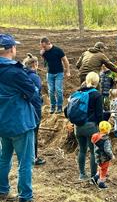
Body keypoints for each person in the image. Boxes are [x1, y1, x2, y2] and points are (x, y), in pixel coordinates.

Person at [0, 34, 36, 202]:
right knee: (25, 161)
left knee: (4, 156)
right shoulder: (15, 70)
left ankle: (2, 189)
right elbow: (32, 91)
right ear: (11, 49)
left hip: (2, 122)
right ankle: (25, 196)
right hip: (20, 122)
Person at [68, 72, 103, 181]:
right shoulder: (97, 95)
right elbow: (99, 114)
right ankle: (93, 177)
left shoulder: (78, 92)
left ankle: (82, 174)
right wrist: (101, 128)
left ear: (87, 80)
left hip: (78, 127)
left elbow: (66, 110)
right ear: (97, 82)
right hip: (91, 127)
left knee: (82, 150)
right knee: (93, 151)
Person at [23, 53, 46, 166]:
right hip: (34, 109)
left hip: (23, 108)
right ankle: (34, 158)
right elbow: (36, 95)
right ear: (35, 64)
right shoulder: (34, 77)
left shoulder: (22, 74)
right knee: (34, 134)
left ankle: (25, 155)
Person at [40, 37, 70, 114]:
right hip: (49, 73)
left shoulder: (58, 50)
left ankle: (59, 107)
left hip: (59, 73)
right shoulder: (44, 52)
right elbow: (45, 62)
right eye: (42, 46)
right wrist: (42, 55)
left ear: (48, 43)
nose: (43, 48)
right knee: (51, 91)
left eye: (44, 46)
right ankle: (53, 107)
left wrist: (68, 71)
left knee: (58, 90)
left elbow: (65, 61)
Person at [91, 121, 115, 189]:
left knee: (101, 167)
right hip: (104, 158)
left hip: (97, 156)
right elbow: (107, 150)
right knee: (104, 170)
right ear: (107, 130)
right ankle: (101, 183)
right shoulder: (105, 139)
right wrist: (111, 156)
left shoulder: (96, 136)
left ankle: (95, 178)